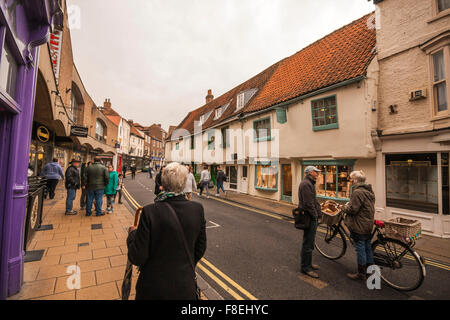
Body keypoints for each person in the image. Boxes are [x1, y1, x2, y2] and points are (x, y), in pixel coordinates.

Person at [127, 162, 207, 300]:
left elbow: (137, 256)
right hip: (184, 286)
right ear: (183, 183)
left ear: (162, 184)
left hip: (153, 288)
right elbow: (200, 248)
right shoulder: (197, 209)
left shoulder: (149, 212)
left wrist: (133, 234)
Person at [341, 170, 375, 281]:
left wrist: (344, 207)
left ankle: (361, 273)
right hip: (368, 223)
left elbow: (353, 209)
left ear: (355, 180)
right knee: (367, 247)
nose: (350, 181)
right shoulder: (368, 191)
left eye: (351, 179)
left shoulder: (358, 192)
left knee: (360, 247)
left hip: (359, 224)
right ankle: (370, 271)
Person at [298, 165, 322, 279]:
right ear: (309, 173)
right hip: (308, 217)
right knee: (308, 243)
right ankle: (305, 268)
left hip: (311, 216)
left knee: (310, 242)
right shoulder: (306, 184)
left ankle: (309, 263)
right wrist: (315, 216)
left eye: (317, 172)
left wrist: (319, 212)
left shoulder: (310, 183)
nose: (317, 173)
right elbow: (308, 203)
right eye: (315, 172)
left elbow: (313, 200)